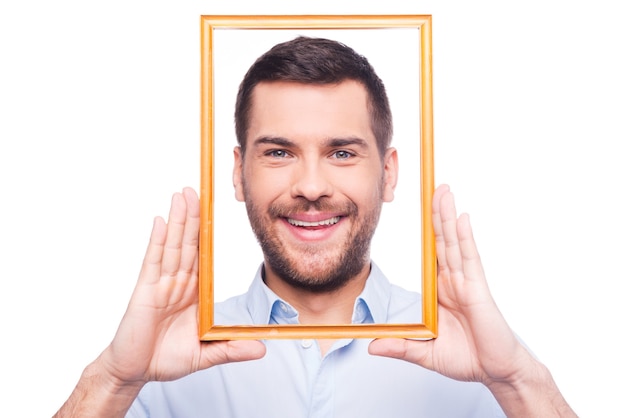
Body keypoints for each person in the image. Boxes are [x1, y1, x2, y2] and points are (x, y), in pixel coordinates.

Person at [54, 37, 576, 417]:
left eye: (342, 152)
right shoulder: (166, 356)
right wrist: (114, 380)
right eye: (279, 152)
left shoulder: (473, 351)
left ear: (388, 173)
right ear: (238, 174)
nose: (310, 185)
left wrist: (515, 381)